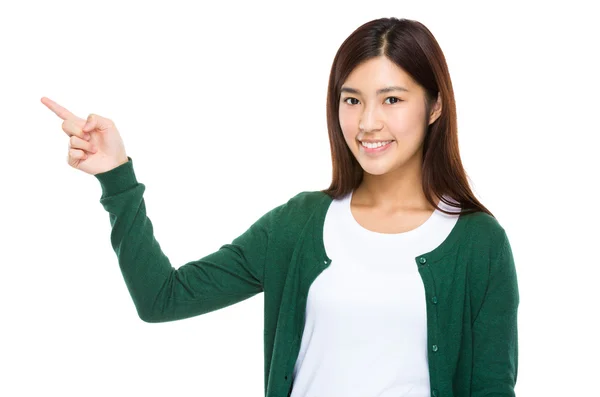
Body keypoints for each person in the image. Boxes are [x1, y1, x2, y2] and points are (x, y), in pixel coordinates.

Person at [42, 16, 519, 397]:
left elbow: (493, 389)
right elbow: (162, 299)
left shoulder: (478, 243)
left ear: (435, 106)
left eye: (392, 98)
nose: (368, 122)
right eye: (352, 99)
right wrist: (117, 177)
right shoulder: (299, 225)